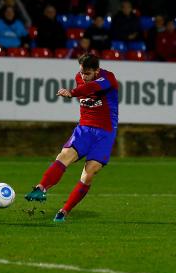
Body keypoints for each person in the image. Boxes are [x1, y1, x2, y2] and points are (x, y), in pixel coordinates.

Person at [24, 53, 119, 222]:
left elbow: (91, 89)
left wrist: (72, 93)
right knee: (64, 156)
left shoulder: (108, 78)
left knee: (89, 173)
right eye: (82, 72)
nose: (83, 76)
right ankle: (41, 187)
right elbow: (85, 87)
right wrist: (75, 90)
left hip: (105, 132)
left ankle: (64, 210)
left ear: (97, 71)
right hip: (84, 128)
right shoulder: (79, 77)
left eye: (88, 73)